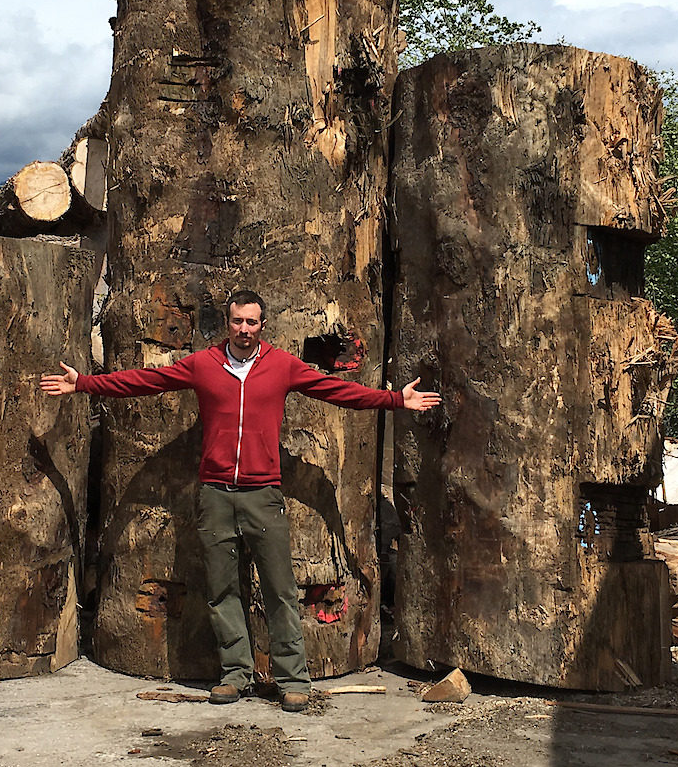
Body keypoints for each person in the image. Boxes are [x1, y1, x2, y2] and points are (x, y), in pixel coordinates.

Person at [40, 290, 440, 712]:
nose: (244, 329)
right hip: (215, 493)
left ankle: (292, 680)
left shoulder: (282, 366)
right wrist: (82, 384)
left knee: (280, 590)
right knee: (221, 589)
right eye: (237, 322)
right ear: (226, 323)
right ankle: (235, 674)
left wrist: (396, 400)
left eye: (251, 322)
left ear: (262, 325)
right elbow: (144, 382)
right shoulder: (204, 365)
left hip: (263, 494)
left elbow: (335, 391)